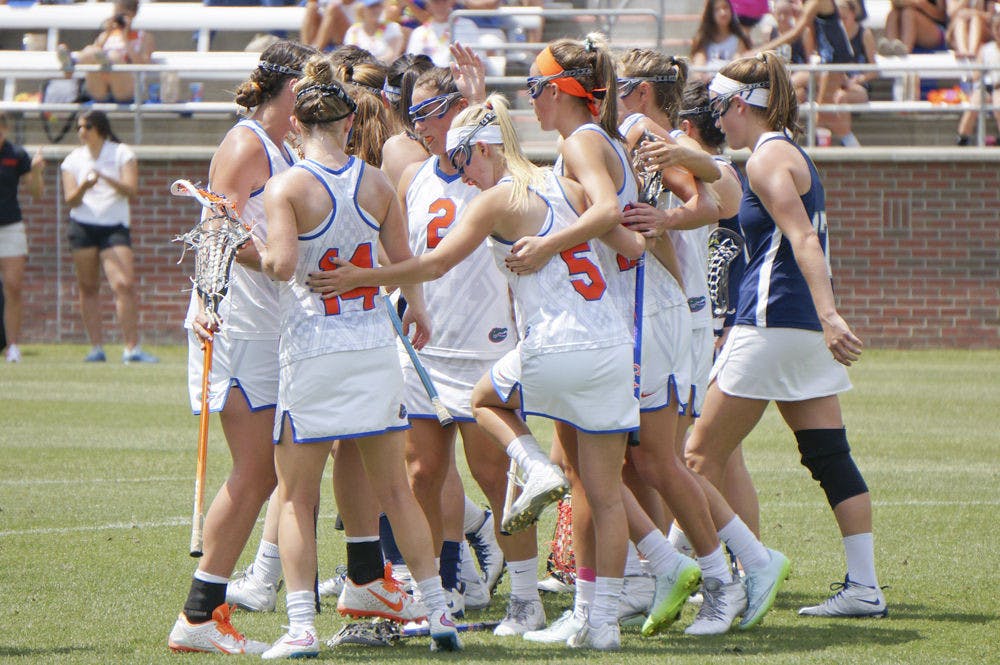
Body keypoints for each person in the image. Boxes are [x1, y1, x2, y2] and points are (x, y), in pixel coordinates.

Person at [315, 92, 645, 652]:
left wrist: (360, 279)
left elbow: (439, 261)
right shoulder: (567, 185)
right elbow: (633, 244)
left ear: (487, 147)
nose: (460, 167)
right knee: (604, 493)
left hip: (548, 342)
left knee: (486, 409)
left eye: (465, 154)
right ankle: (602, 623)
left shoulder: (496, 197)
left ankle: (533, 489)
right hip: (612, 342)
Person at [252, 57, 460, 657]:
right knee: (395, 490)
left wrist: (255, 246)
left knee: (296, 495)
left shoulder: (286, 186)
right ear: (348, 123)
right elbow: (401, 263)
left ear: (297, 124)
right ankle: (439, 611)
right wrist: (416, 307)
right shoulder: (377, 182)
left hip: (314, 346)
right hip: (373, 341)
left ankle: (299, 628)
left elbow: (284, 266)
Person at [685, 51, 887, 619]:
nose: (717, 122)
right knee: (829, 457)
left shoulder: (766, 159)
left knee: (694, 457)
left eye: (720, 110)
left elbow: (802, 240)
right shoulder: (787, 153)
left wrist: (830, 313)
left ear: (739, 105)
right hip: (794, 326)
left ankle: (721, 569)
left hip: (772, 320)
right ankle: (866, 587)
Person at [167, 40, 316, 655]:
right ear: (290, 88)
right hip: (236, 327)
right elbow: (214, 228)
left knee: (269, 473)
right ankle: (198, 617)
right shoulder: (246, 142)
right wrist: (205, 301)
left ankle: (204, 612)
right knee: (257, 473)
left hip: (271, 326)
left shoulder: (286, 146)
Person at [59, 110, 157, 364]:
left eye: (87, 126)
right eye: (79, 127)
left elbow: (130, 190)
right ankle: (96, 348)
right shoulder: (72, 160)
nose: (82, 131)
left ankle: (131, 348)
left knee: (123, 284)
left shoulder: (121, 153)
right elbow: (70, 198)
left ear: (100, 128)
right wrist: (85, 186)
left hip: (114, 226)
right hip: (82, 225)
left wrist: (104, 178)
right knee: (88, 287)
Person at [0, 113, 44, 364]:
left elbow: (36, 192)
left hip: (10, 226)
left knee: (14, 287)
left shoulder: (16, 154)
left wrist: (37, 171)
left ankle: (12, 346)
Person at [70, 0, 155, 103]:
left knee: (114, 57)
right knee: (92, 51)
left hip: (127, 90)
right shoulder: (105, 36)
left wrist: (125, 39)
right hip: (101, 90)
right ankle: (71, 64)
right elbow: (93, 55)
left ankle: (107, 63)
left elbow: (143, 66)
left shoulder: (144, 37)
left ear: (133, 15)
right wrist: (107, 33)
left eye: (124, 15)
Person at [829, 0, 877, 146]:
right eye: (839, 18)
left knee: (840, 97)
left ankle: (847, 142)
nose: (842, 22)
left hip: (858, 87)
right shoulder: (833, 35)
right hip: (837, 85)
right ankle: (841, 139)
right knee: (832, 97)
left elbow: (874, 70)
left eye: (845, 17)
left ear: (853, 13)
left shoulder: (864, 34)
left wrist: (857, 79)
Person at [956, 13, 1000, 145]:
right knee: (974, 105)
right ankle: (962, 138)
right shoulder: (986, 49)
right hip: (986, 86)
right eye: (997, 28)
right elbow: (976, 75)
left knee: (999, 103)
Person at [405, 0, 481, 67]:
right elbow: (411, 64)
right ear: (428, 4)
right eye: (436, 1)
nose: (440, 5)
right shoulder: (419, 32)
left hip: (457, 77)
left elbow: (477, 59)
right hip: (427, 79)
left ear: (452, 2)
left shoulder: (467, 25)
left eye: (444, 1)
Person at [690, 0, 755, 76]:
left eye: (725, 8)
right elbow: (699, 67)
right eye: (717, 9)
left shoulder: (738, 40)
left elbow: (738, 66)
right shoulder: (704, 40)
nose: (723, 13)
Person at [881, 0, 948, 54]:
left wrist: (919, 4)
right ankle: (890, 46)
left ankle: (905, 50)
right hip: (906, 24)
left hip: (936, 30)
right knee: (893, 14)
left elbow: (942, 16)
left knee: (908, 13)